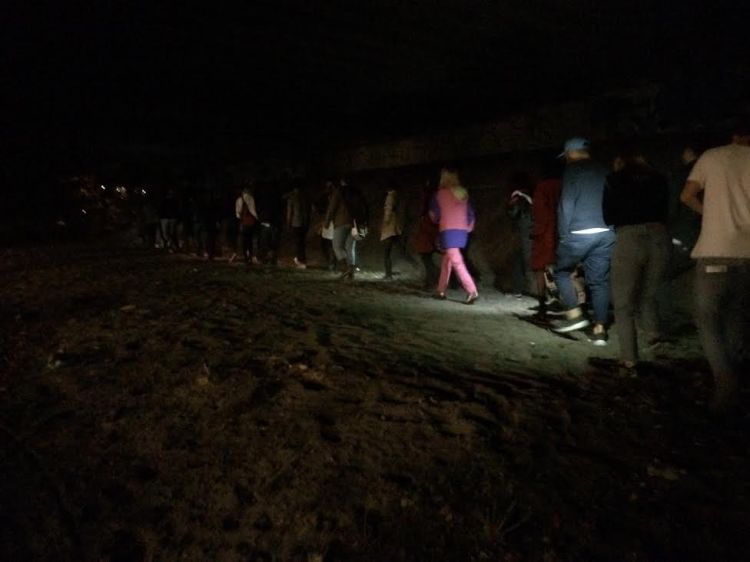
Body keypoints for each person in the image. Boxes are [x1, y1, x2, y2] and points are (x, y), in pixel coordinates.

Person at [680, 119, 750, 415]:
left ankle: (725, 378)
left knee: (708, 318)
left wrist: (710, 213)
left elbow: (686, 195)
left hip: (715, 252)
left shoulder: (712, 157)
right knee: (737, 317)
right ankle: (732, 379)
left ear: (734, 134)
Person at [603, 148, 671, 368]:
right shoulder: (659, 178)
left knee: (623, 304)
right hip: (659, 236)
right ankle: (656, 340)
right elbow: (667, 210)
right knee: (649, 294)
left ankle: (629, 360)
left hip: (629, 238)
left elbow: (608, 215)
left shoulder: (614, 179)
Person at [552, 137, 615, 345]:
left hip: (578, 232)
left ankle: (575, 314)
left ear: (571, 153)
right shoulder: (605, 170)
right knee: (599, 282)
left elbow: (566, 204)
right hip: (605, 232)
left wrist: (563, 235)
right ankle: (600, 330)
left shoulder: (572, 171)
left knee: (561, 272)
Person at [429, 165, 478, 304]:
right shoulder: (463, 193)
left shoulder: (440, 195)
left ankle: (472, 290)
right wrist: (468, 227)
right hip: (462, 231)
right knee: (447, 260)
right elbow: (471, 213)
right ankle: (440, 290)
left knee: (456, 261)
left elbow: (434, 215)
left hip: (448, 230)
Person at [530, 161, 563, 316]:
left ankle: (542, 305)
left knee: (540, 268)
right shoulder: (563, 186)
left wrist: (535, 232)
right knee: (564, 269)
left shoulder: (542, 187)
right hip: (561, 232)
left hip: (545, 234)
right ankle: (568, 302)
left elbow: (540, 213)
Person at [325, 178, 369, 279]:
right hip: (356, 223)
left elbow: (332, 207)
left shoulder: (339, 191)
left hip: (342, 222)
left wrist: (327, 222)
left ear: (342, 181)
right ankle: (351, 273)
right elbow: (365, 207)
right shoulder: (357, 191)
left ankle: (346, 268)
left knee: (337, 246)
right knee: (350, 247)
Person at [506, 171, 534, 296]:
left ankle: (519, 289)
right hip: (533, 231)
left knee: (520, 260)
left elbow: (512, 213)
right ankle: (534, 289)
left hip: (522, 232)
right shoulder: (532, 194)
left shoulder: (517, 196)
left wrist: (510, 204)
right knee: (528, 261)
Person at [411, 180, 440, 290]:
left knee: (427, 259)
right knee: (427, 259)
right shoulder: (434, 199)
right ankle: (431, 280)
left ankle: (431, 281)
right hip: (429, 232)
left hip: (427, 232)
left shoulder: (430, 201)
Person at [380, 182, 410, 279]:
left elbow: (388, 210)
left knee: (386, 251)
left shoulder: (390, 197)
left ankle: (388, 274)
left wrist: (385, 221)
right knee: (398, 249)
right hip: (395, 227)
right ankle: (413, 265)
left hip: (390, 228)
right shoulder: (397, 197)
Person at [285, 181, 309, 268]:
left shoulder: (292, 198)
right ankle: (303, 259)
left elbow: (289, 213)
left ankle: (300, 260)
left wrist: (288, 224)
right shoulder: (304, 197)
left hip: (295, 223)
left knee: (297, 243)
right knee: (302, 243)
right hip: (303, 223)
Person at [234, 186, 258, 265]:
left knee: (245, 240)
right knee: (249, 240)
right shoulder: (250, 199)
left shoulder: (239, 200)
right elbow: (253, 210)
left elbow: (238, 213)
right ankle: (249, 256)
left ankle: (246, 257)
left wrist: (240, 219)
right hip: (250, 222)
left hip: (245, 222)